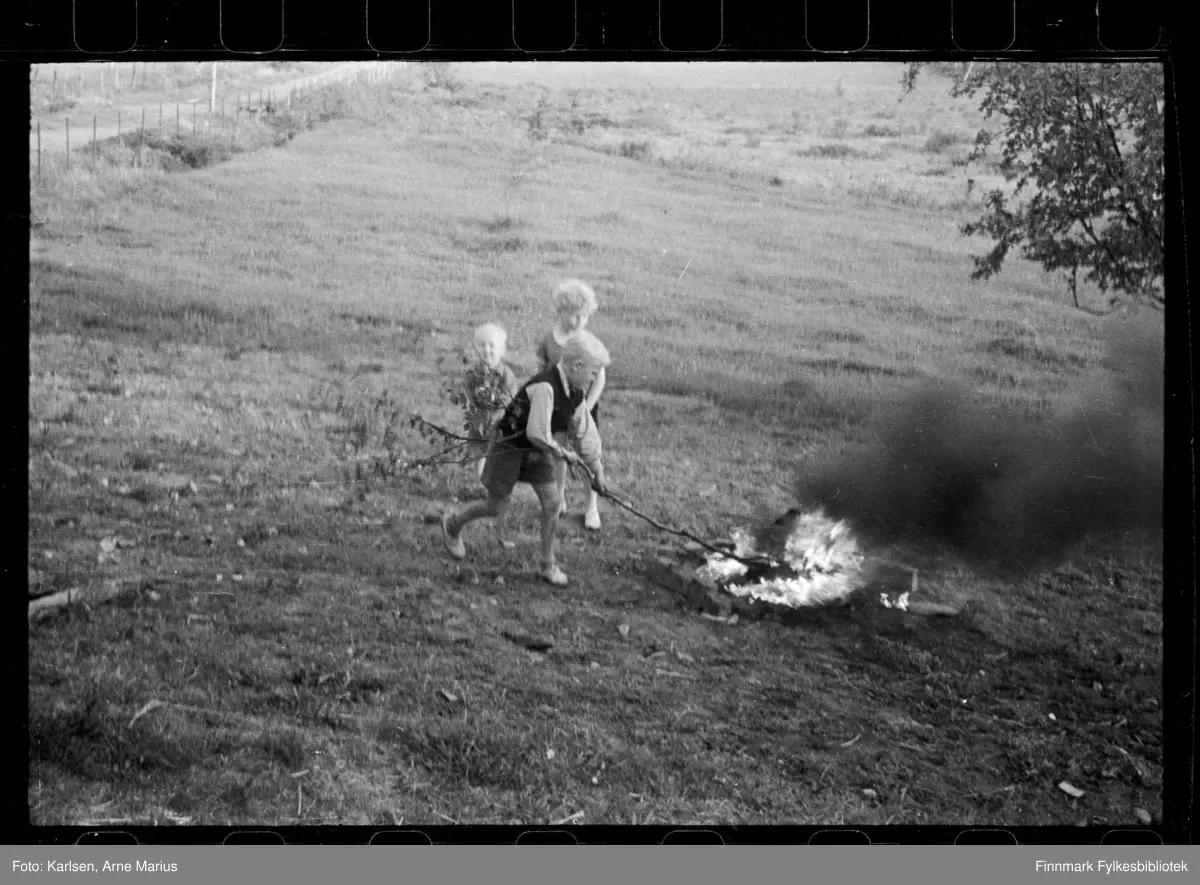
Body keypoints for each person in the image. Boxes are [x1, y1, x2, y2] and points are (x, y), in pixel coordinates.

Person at [441, 330, 610, 587]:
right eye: (593, 373)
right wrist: (565, 454)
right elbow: (537, 432)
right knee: (496, 506)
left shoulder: (575, 394)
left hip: (538, 451)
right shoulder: (545, 386)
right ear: (577, 366)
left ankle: (547, 564)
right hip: (509, 447)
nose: (594, 379)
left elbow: (586, 435)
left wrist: (596, 471)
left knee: (553, 504)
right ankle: (453, 525)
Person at [535, 279, 607, 530]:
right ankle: (560, 497)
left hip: (584, 407)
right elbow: (542, 372)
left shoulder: (587, 343)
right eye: (574, 315)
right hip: (557, 406)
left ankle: (591, 508)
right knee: (559, 452)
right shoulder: (549, 341)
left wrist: (587, 405)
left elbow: (599, 377)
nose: (579, 321)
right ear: (560, 312)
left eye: (584, 316)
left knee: (588, 454)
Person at [462, 322, 520, 480]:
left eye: (491, 345)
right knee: (479, 451)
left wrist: (496, 399)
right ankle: (479, 480)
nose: (486, 349)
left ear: (501, 350)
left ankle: (495, 479)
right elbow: (468, 389)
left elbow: (510, 396)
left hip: (498, 421)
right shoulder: (473, 374)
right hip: (480, 421)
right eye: (481, 345)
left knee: (497, 452)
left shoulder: (506, 374)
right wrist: (472, 401)